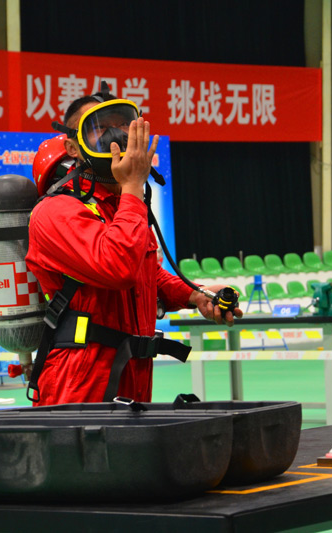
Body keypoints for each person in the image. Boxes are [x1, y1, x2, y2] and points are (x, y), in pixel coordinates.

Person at [25, 86, 241, 406]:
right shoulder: (56, 211)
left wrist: (197, 294)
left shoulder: (125, 205)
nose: (116, 135)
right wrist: (132, 188)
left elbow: (148, 274)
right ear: (73, 146)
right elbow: (118, 268)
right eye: (100, 127)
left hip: (132, 377)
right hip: (79, 387)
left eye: (124, 124)